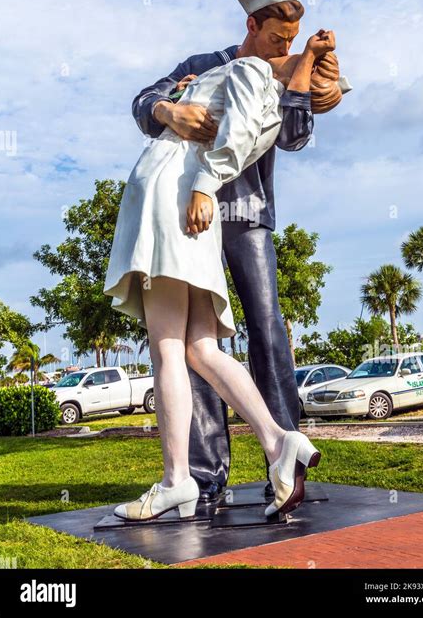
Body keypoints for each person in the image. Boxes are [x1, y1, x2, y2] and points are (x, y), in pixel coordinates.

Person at [104, 29, 337, 521]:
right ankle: (213, 468)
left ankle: (192, 475)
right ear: (254, 26)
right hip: (193, 204)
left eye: (293, 40)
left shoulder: (280, 74)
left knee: (259, 331)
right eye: (281, 36)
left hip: (224, 208)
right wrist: (166, 108)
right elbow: (145, 100)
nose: (287, 44)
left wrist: (312, 93)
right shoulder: (209, 62)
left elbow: (292, 135)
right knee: (197, 349)